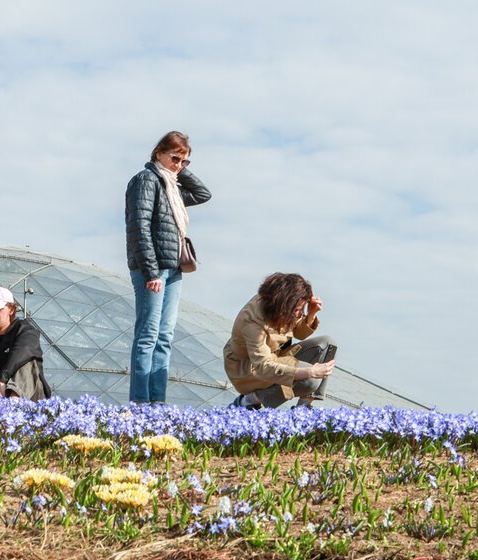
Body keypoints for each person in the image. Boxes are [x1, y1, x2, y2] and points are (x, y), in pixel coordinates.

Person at [125, 130, 212, 404]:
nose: (178, 165)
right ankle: (141, 402)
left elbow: (203, 193)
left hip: (174, 269)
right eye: (175, 158)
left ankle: (157, 402)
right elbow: (139, 227)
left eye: (184, 162)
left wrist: (179, 170)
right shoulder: (145, 181)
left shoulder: (171, 187)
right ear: (158, 152)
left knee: (165, 336)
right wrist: (151, 272)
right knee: (148, 335)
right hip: (152, 270)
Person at [224, 272, 336, 409]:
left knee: (327, 344)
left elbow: (299, 334)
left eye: (301, 311)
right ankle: (249, 401)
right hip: (249, 368)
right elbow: (263, 366)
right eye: (297, 311)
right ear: (283, 304)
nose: (299, 314)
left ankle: (303, 408)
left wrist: (311, 313)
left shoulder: (285, 307)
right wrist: (310, 372)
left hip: (277, 355)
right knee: (310, 379)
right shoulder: (252, 320)